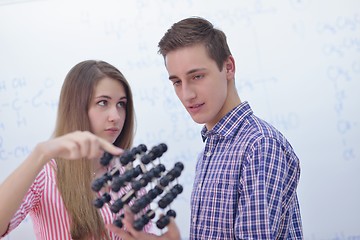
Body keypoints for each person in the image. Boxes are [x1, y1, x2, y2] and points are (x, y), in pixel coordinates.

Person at [108, 17, 303, 239]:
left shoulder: (259, 146)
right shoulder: (210, 152)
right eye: (177, 82)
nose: (186, 94)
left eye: (197, 76)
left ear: (228, 67)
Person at [0, 60, 150, 239]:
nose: (116, 116)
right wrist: (41, 153)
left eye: (121, 104)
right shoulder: (46, 175)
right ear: (76, 108)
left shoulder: (130, 176)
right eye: (103, 103)